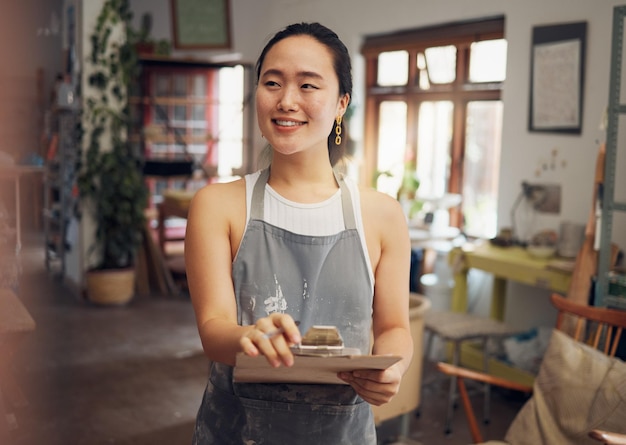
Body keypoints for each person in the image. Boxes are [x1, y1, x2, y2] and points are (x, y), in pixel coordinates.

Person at [185, 22, 413, 444]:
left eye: (308, 85)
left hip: (343, 432)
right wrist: (248, 337)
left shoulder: (382, 214)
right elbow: (214, 330)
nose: (286, 100)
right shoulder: (217, 206)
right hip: (237, 430)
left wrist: (392, 367)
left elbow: (395, 325)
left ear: (341, 103)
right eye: (272, 82)